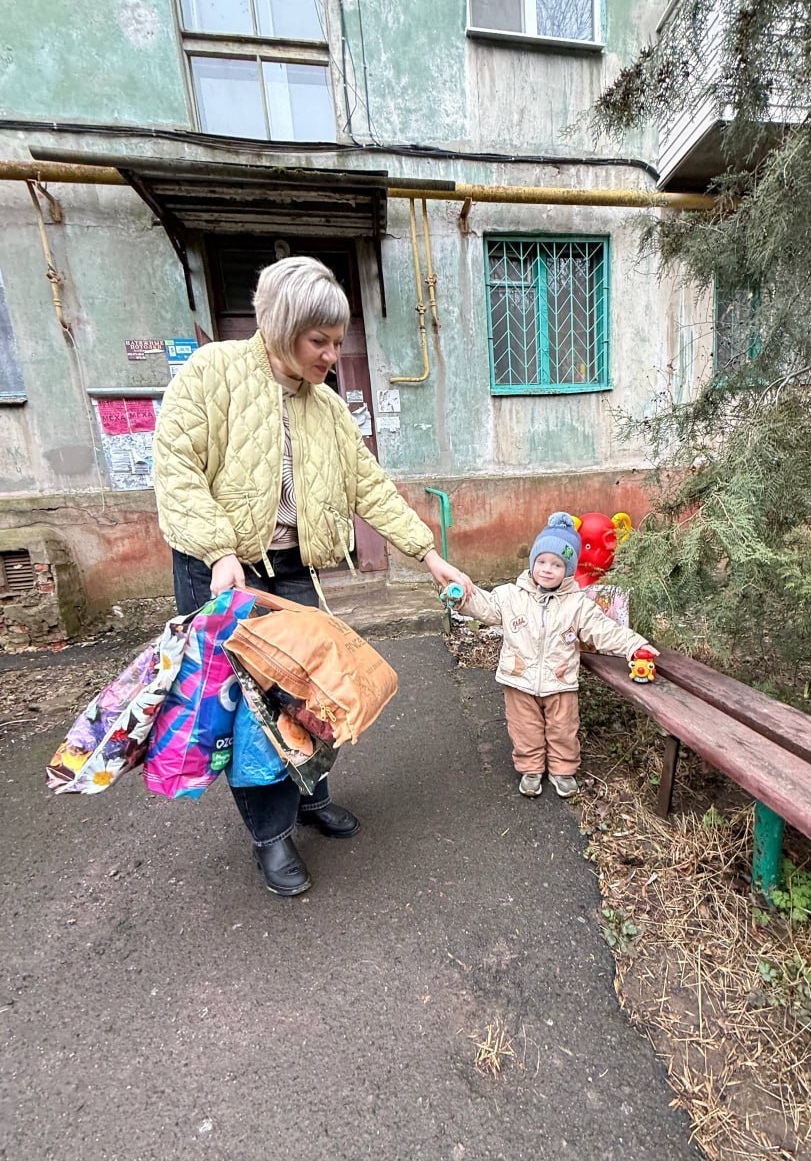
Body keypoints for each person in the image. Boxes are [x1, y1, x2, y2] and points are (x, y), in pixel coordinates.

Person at [153, 256, 473, 897]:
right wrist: (220, 554)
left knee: (312, 697)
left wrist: (430, 555)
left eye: (338, 341)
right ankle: (271, 838)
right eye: (319, 341)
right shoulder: (212, 374)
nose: (333, 353)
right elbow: (177, 472)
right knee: (253, 714)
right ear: (280, 328)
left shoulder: (326, 407)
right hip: (220, 569)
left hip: (292, 568)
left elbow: (369, 488)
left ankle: (308, 796)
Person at [452, 512, 657, 798]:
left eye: (557, 564)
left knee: (563, 729)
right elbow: (485, 607)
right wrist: (461, 597)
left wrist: (635, 646)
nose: (548, 569)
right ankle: (531, 768)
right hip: (519, 678)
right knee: (524, 728)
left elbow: (603, 630)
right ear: (533, 562)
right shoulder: (511, 595)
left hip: (560, 680)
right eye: (542, 561)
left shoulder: (577, 604)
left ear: (569, 569)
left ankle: (563, 770)